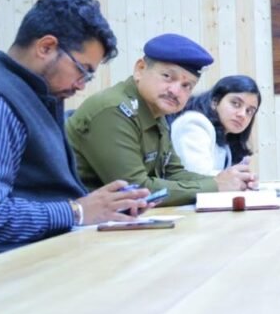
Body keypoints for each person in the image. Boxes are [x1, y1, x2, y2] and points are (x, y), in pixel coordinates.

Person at [0, 0, 150, 257]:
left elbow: (42, 194)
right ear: (46, 47)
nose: (81, 85)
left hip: (40, 260)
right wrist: (77, 211)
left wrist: (108, 206)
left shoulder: (34, 97)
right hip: (1, 273)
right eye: (82, 71)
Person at [67, 34, 256, 205]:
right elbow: (135, 190)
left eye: (186, 85)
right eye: (167, 76)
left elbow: (173, 173)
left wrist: (228, 181)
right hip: (75, 222)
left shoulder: (156, 114)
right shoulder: (114, 110)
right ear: (140, 69)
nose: (175, 91)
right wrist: (215, 186)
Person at [171, 75, 261, 175]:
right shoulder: (194, 123)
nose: (242, 114)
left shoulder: (227, 137)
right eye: (236, 104)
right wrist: (234, 178)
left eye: (249, 111)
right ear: (215, 102)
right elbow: (196, 176)